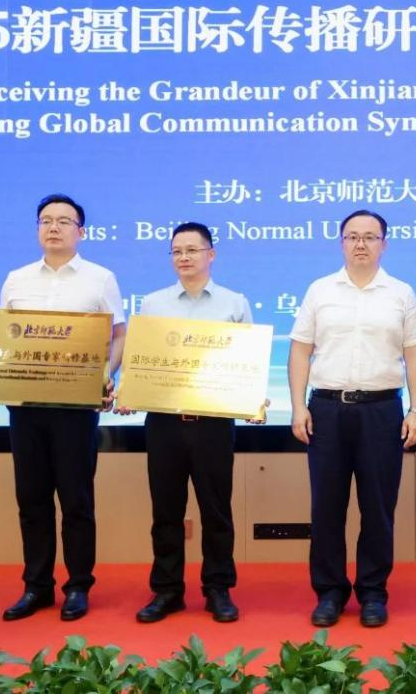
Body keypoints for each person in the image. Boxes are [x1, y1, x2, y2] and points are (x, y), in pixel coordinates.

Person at [0, 193, 126, 622]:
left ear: (80, 231)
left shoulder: (100, 279)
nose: (53, 227)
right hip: (25, 406)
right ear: (37, 229)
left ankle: (78, 586)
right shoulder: (16, 279)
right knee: (31, 499)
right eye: (46, 220)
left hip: (76, 409)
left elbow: (119, 335)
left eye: (64, 221)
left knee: (76, 500)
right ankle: (36, 586)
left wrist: (105, 375)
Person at [287, 209, 416, 628]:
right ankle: (329, 592)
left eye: (369, 236)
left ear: (384, 243)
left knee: (378, 508)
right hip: (327, 411)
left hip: (382, 411)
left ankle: (373, 593)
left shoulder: (401, 293)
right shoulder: (320, 290)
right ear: (341, 243)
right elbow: (300, 350)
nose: (361, 244)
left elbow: (415, 353)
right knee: (326, 508)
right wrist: (298, 406)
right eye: (352, 236)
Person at [121, 222, 260, 625]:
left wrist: (251, 399)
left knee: (216, 510)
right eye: (177, 251)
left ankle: (218, 588)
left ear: (210, 254)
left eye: (192, 250)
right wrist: (130, 391)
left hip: (213, 423)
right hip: (164, 422)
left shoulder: (234, 303)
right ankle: (167, 590)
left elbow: (246, 364)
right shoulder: (153, 304)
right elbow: (140, 359)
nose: (184, 257)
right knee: (166, 510)